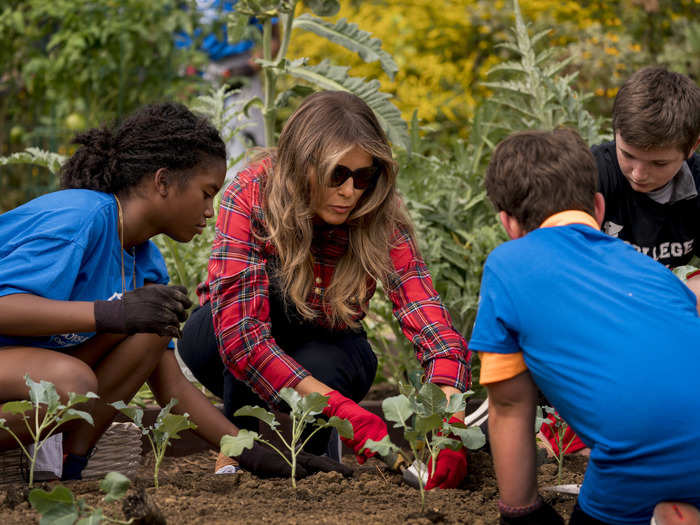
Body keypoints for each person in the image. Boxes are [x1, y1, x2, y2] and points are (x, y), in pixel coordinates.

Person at [0, 101, 349, 481]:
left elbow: (172, 387)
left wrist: (255, 456)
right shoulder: (81, 217)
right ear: (163, 182)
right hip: (30, 370)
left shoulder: (146, 262)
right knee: (74, 384)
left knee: (150, 330)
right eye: (206, 193)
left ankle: (69, 461)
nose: (211, 211)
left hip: (28, 373)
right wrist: (111, 313)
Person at [179, 90, 472, 488]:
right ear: (302, 165)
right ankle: (235, 444)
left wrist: (450, 419)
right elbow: (242, 337)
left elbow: (431, 323)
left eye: (363, 176)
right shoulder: (250, 194)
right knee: (262, 300)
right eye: (337, 174)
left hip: (329, 342)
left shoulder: (380, 214)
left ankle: (317, 458)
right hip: (227, 341)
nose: (350, 191)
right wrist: (345, 412)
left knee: (327, 367)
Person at [469, 128, 700, 524]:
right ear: (597, 207)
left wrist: (521, 511)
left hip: (636, 464)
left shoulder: (507, 265)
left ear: (508, 224)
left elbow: (509, 405)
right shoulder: (653, 271)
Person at [593, 66, 700, 306]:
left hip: (664, 299)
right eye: (628, 155)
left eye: (659, 163)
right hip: (600, 298)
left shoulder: (697, 181)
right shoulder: (592, 173)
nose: (639, 174)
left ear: (692, 147)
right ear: (616, 133)